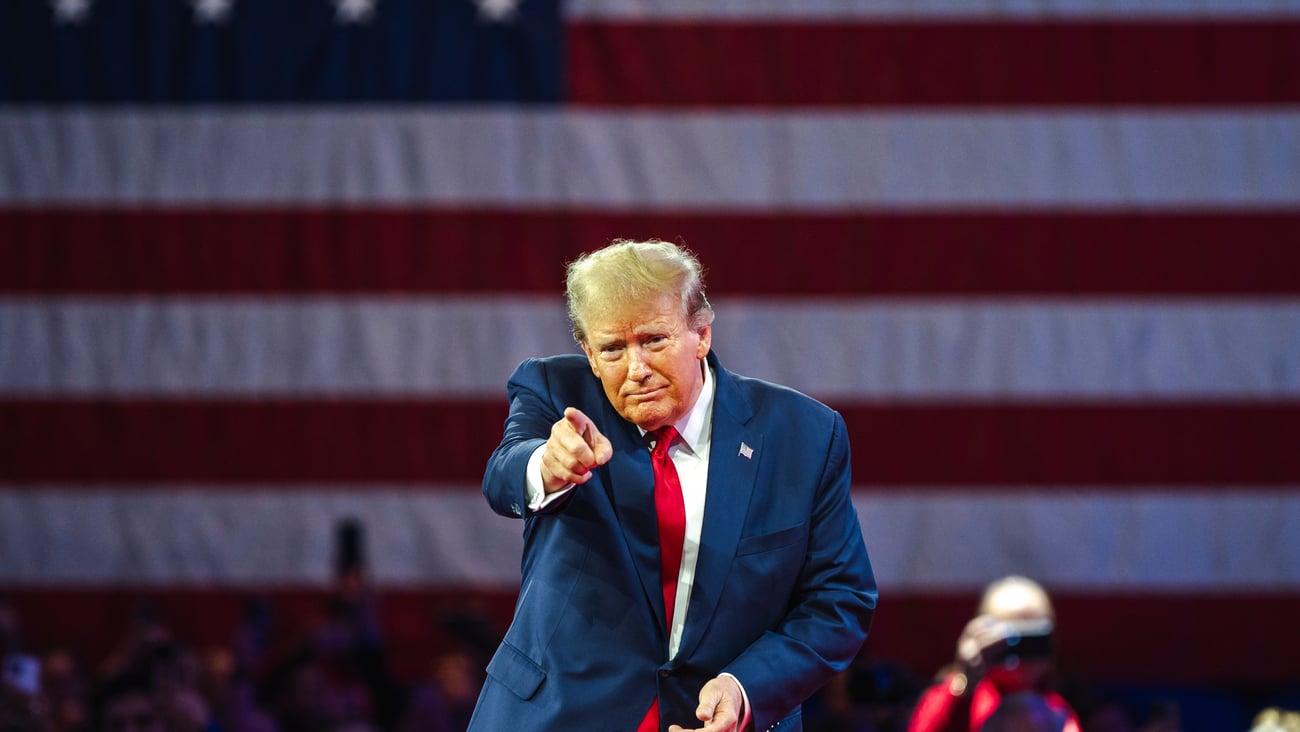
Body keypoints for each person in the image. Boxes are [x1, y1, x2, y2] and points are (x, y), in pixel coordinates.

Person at [468, 240, 877, 732]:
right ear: (590, 356)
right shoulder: (556, 392)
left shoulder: (803, 436)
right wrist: (545, 465)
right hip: (557, 714)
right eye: (613, 350)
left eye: (654, 340)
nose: (636, 370)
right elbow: (505, 474)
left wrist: (747, 687)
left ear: (701, 334)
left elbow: (839, 599)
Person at [907, 576, 1080, 732]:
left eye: (1035, 637)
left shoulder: (1058, 709)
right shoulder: (955, 699)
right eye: (1011, 637)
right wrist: (964, 687)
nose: (1022, 653)